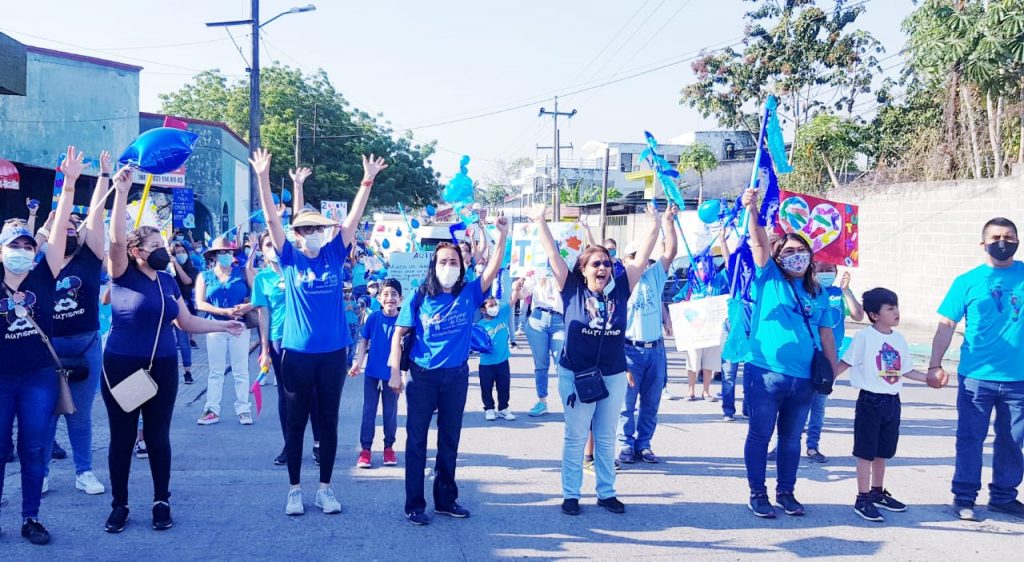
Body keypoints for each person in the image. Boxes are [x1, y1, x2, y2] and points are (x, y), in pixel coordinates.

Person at [103, 166, 244, 533]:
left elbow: (185, 321)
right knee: (122, 437)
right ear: (137, 252)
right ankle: (120, 504)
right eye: (155, 247)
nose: (163, 253)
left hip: (162, 367)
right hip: (122, 366)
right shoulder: (122, 272)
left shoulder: (166, 280)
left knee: (157, 435)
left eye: (164, 247)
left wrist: (223, 325)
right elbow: (116, 240)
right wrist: (121, 194)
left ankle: (161, 500)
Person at [252, 148, 386, 516]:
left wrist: (367, 180)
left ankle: (325, 488)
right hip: (295, 354)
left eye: (316, 229)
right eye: (305, 229)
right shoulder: (289, 257)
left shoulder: (333, 255)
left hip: (332, 355)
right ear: (296, 235)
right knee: (295, 423)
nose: (311, 234)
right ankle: (294, 490)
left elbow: (355, 218)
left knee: (327, 422)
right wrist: (263, 178)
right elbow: (270, 218)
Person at [530, 202, 660, 517]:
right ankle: (571, 494)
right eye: (595, 264)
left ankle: (606, 493)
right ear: (584, 268)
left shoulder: (621, 288)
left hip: (613, 375)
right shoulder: (571, 288)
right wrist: (540, 221)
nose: (602, 268)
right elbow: (553, 256)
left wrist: (654, 225)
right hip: (575, 374)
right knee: (576, 435)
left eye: (606, 263)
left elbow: (642, 258)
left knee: (605, 435)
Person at [388, 217, 509, 526]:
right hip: (422, 377)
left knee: (449, 440)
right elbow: (399, 333)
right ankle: (414, 504)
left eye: (453, 261)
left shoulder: (469, 293)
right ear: (434, 265)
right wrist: (394, 372)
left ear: (461, 265)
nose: (448, 265)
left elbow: (493, 268)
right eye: (443, 261)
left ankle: (445, 499)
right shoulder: (419, 295)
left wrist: (503, 234)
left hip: (455, 378)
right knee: (416, 442)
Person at [740, 187, 837, 519]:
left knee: (791, 440)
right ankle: (757, 494)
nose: (798, 255)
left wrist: (832, 369)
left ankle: (786, 493)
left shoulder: (818, 291)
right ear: (778, 256)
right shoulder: (769, 278)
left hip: (805, 379)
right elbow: (758, 241)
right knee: (760, 433)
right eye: (791, 251)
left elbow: (826, 333)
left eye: (803, 250)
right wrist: (752, 211)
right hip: (764, 373)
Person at [0, 145, 78, 545]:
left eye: (27, 246)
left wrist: (68, 186)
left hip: (38, 378)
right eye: (14, 246)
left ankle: (31, 518)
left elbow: (61, 224)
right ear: (1, 250)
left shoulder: (44, 276)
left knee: (33, 449)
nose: (22, 252)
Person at [932, 217, 1024, 522]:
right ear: (983, 243)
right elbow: (947, 324)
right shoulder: (967, 281)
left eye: (1009, 236)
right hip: (976, 377)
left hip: (1018, 380)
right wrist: (935, 364)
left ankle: (1003, 497)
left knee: (1012, 441)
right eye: (996, 236)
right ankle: (964, 497)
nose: (1003, 241)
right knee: (970, 438)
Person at [39, 150, 115, 499]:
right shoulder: (43, 265)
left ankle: (84, 471)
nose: (68, 231)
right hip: (48, 350)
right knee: (46, 415)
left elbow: (97, 216)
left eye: (72, 226)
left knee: (80, 415)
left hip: (85, 344)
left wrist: (104, 176)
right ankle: (39, 473)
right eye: (62, 227)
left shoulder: (89, 257)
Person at [836, 288, 945, 522]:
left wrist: (929, 378)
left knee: (883, 451)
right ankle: (862, 497)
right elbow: (846, 362)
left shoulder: (898, 339)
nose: (896, 312)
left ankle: (877, 491)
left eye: (896, 307)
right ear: (874, 315)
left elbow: (906, 370)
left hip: (892, 402)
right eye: (890, 308)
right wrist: (823, 382)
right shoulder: (864, 337)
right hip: (870, 401)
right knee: (865, 452)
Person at [253, 231, 322, 467]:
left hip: (304, 338)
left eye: (276, 243)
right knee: (286, 395)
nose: (273, 248)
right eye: (268, 244)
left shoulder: (297, 268)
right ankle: (290, 444)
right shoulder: (262, 279)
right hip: (278, 340)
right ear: (262, 250)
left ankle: (318, 443)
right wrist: (264, 348)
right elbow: (264, 314)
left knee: (312, 392)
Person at [616, 205, 678, 466]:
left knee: (651, 402)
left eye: (645, 257)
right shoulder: (620, 281)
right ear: (625, 260)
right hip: (629, 349)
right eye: (634, 255)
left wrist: (668, 222)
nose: (642, 260)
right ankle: (625, 444)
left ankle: (644, 444)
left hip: (655, 350)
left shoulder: (655, 277)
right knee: (626, 403)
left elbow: (670, 251)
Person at [803, 266, 864, 463]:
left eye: (829, 269)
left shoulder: (838, 294)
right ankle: (783, 445)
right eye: (821, 269)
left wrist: (846, 290)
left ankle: (813, 446)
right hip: (805, 356)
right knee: (794, 404)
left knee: (818, 405)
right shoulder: (805, 291)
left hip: (827, 359)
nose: (825, 272)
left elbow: (858, 315)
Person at [195, 238, 253, 425]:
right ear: (214, 255)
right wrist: (223, 312)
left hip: (239, 325)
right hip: (215, 326)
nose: (227, 255)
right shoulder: (205, 276)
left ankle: (244, 409)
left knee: (240, 369)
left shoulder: (242, 273)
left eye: (229, 252)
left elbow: (258, 295)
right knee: (216, 370)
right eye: (222, 252)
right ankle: (212, 409)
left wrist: (245, 307)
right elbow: (200, 303)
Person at [348, 278, 403, 468]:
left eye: (394, 294)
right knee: (369, 412)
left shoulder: (404, 321)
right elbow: (364, 341)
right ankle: (365, 450)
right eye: (386, 294)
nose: (390, 298)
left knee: (390, 413)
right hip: (372, 374)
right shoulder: (373, 318)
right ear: (379, 298)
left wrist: (404, 376)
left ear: (401, 299)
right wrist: (358, 363)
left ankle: (389, 448)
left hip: (392, 377)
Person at [673, 253, 731, 401]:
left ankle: (706, 391)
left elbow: (729, 265)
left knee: (709, 362)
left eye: (705, 268)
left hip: (713, 330)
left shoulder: (719, 280)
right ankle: (690, 390)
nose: (702, 272)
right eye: (699, 269)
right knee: (692, 360)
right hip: (694, 330)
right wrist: (683, 307)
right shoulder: (692, 283)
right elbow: (678, 300)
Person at [516, 274, 565, 417]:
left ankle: (568, 404)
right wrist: (519, 286)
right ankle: (542, 402)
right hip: (538, 319)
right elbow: (523, 294)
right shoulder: (537, 270)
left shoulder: (565, 267)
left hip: (560, 320)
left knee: (561, 365)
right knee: (541, 365)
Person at [476, 296, 516, 421]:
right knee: (486, 387)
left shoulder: (501, 316)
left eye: (495, 304)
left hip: (503, 361)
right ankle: (489, 408)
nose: (494, 308)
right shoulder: (480, 326)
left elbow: (512, 300)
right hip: (486, 364)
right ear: (483, 310)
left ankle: (503, 408)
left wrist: (516, 289)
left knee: (504, 386)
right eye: (491, 306)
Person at [170, 241, 197, 384]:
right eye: (177, 252)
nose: (181, 254)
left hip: (183, 307)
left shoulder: (192, 269)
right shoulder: (168, 269)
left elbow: (187, 281)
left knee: (183, 341)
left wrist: (176, 264)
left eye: (182, 251)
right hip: (167, 306)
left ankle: (188, 372)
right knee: (168, 342)